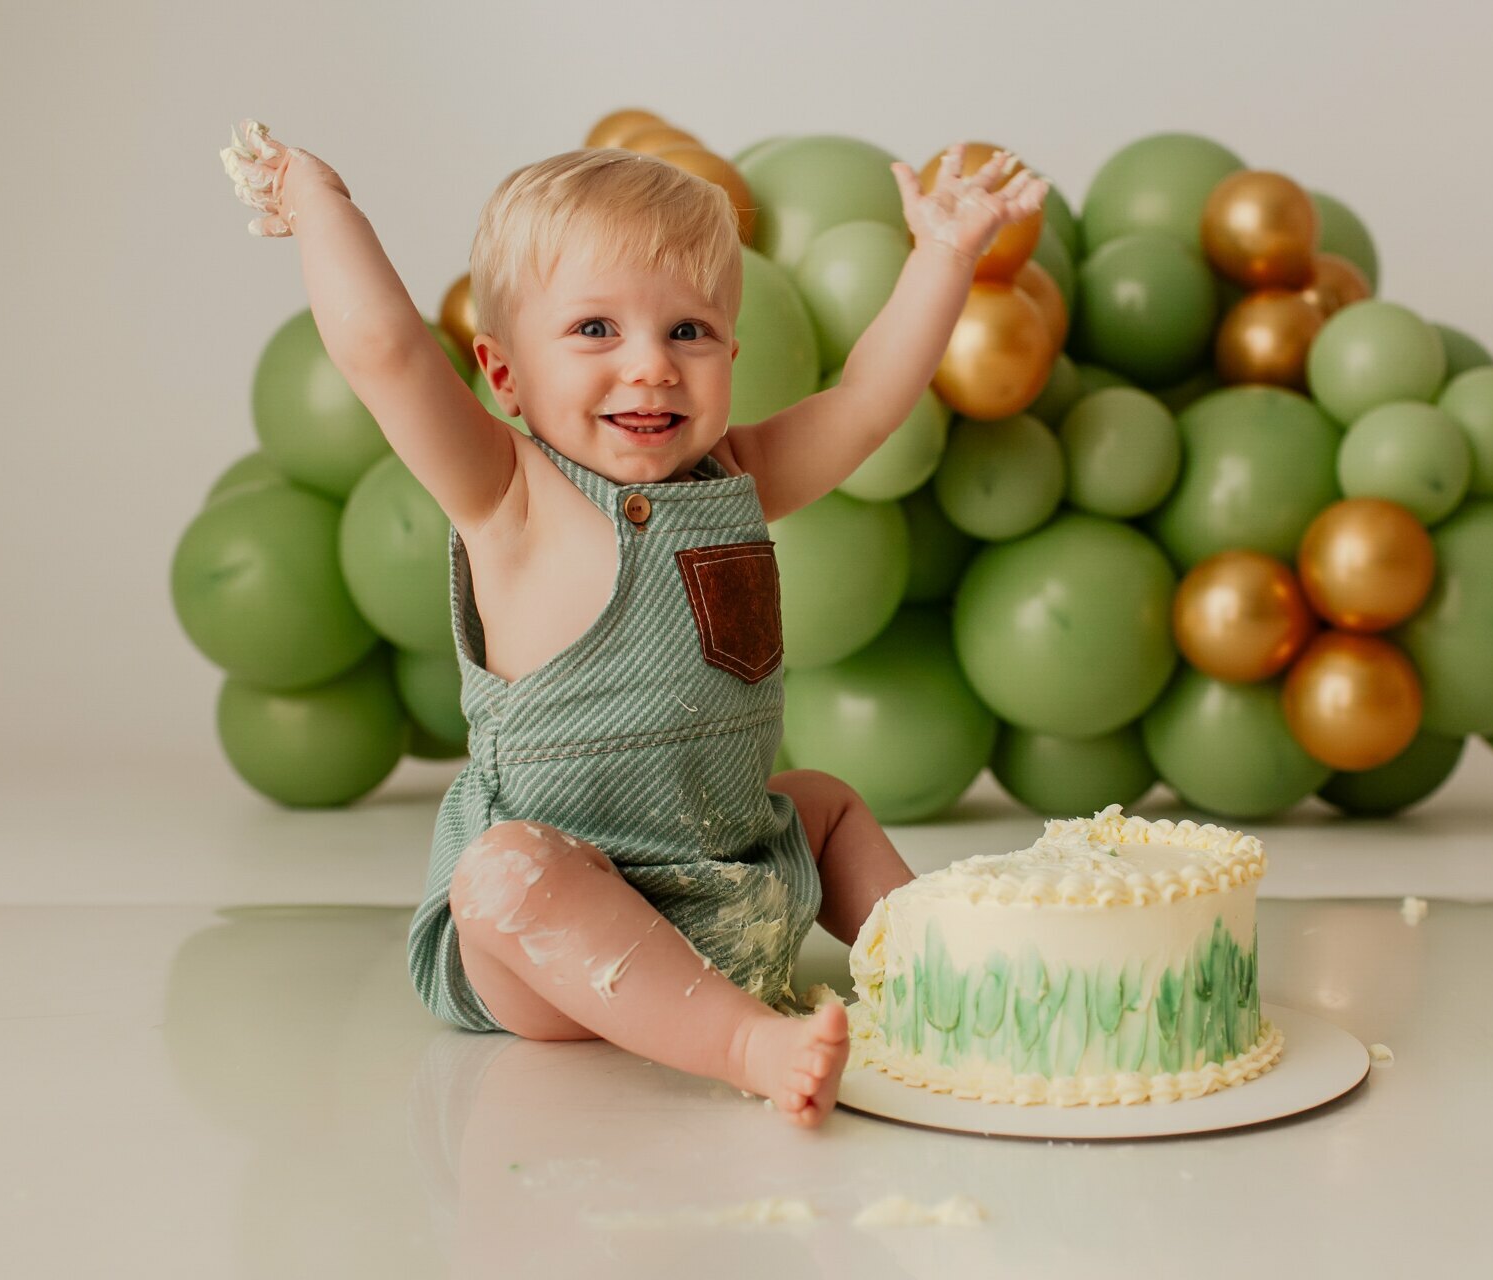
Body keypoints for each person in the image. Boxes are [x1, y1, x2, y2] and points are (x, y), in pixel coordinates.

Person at [220, 119, 1046, 1128]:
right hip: (556, 947)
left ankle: (955, 978)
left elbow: (872, 399)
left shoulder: (739, 476)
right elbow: (386, 350)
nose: (651, 366)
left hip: (732, 889)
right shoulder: (506, 492)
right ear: (505, 371)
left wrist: (946, 257)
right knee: (503, 872)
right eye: (596, 330)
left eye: (687, 331)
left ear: (732, 350)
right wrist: (321, 208)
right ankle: (746, 1041)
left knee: (823, 802)